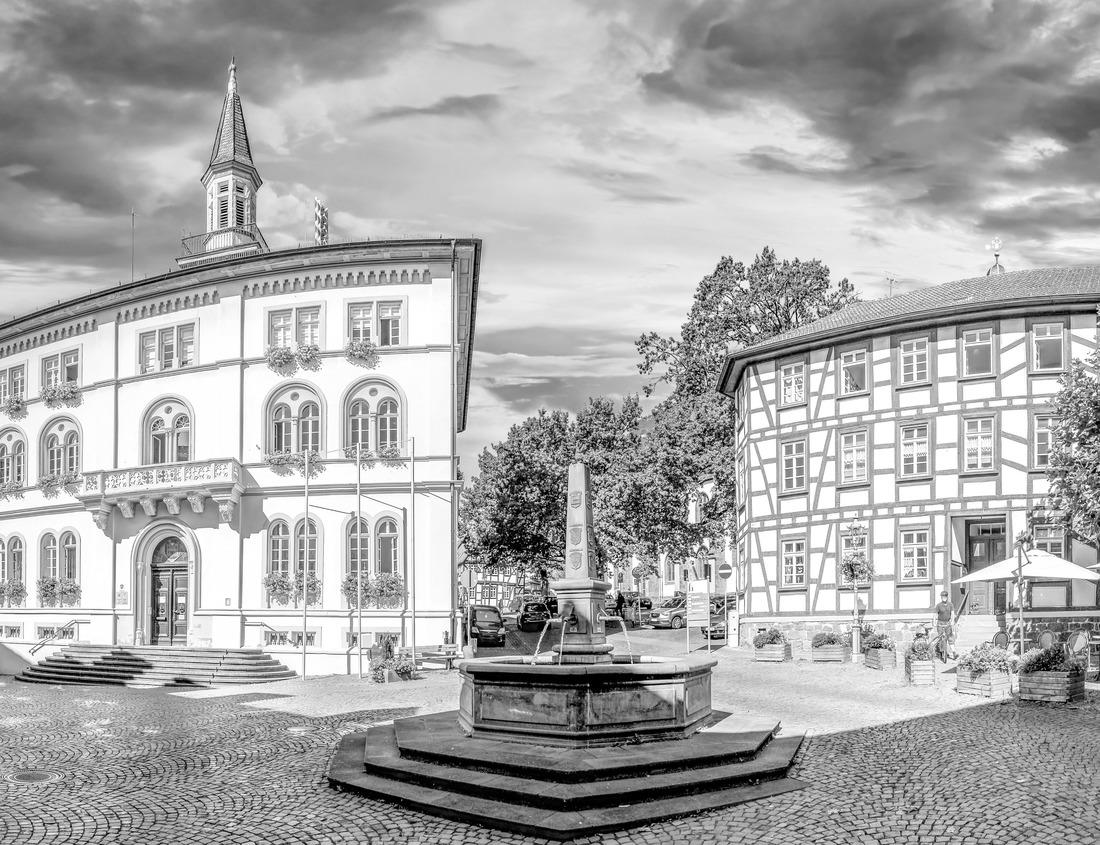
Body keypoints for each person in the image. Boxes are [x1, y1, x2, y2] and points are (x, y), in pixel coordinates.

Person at [934, 590, 957, 659]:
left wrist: (952, 621)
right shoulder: (938, 605)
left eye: (945, 596)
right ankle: (942, 652)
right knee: (941, 638)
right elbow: (935, 614)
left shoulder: (950, 604)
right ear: (941, 597)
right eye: (943, 596)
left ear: (947, 597)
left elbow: (952, 613)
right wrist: (934, 622)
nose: (944, 597)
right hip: (940, 623)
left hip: (948, 623)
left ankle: (954, 652)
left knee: (950, 638)